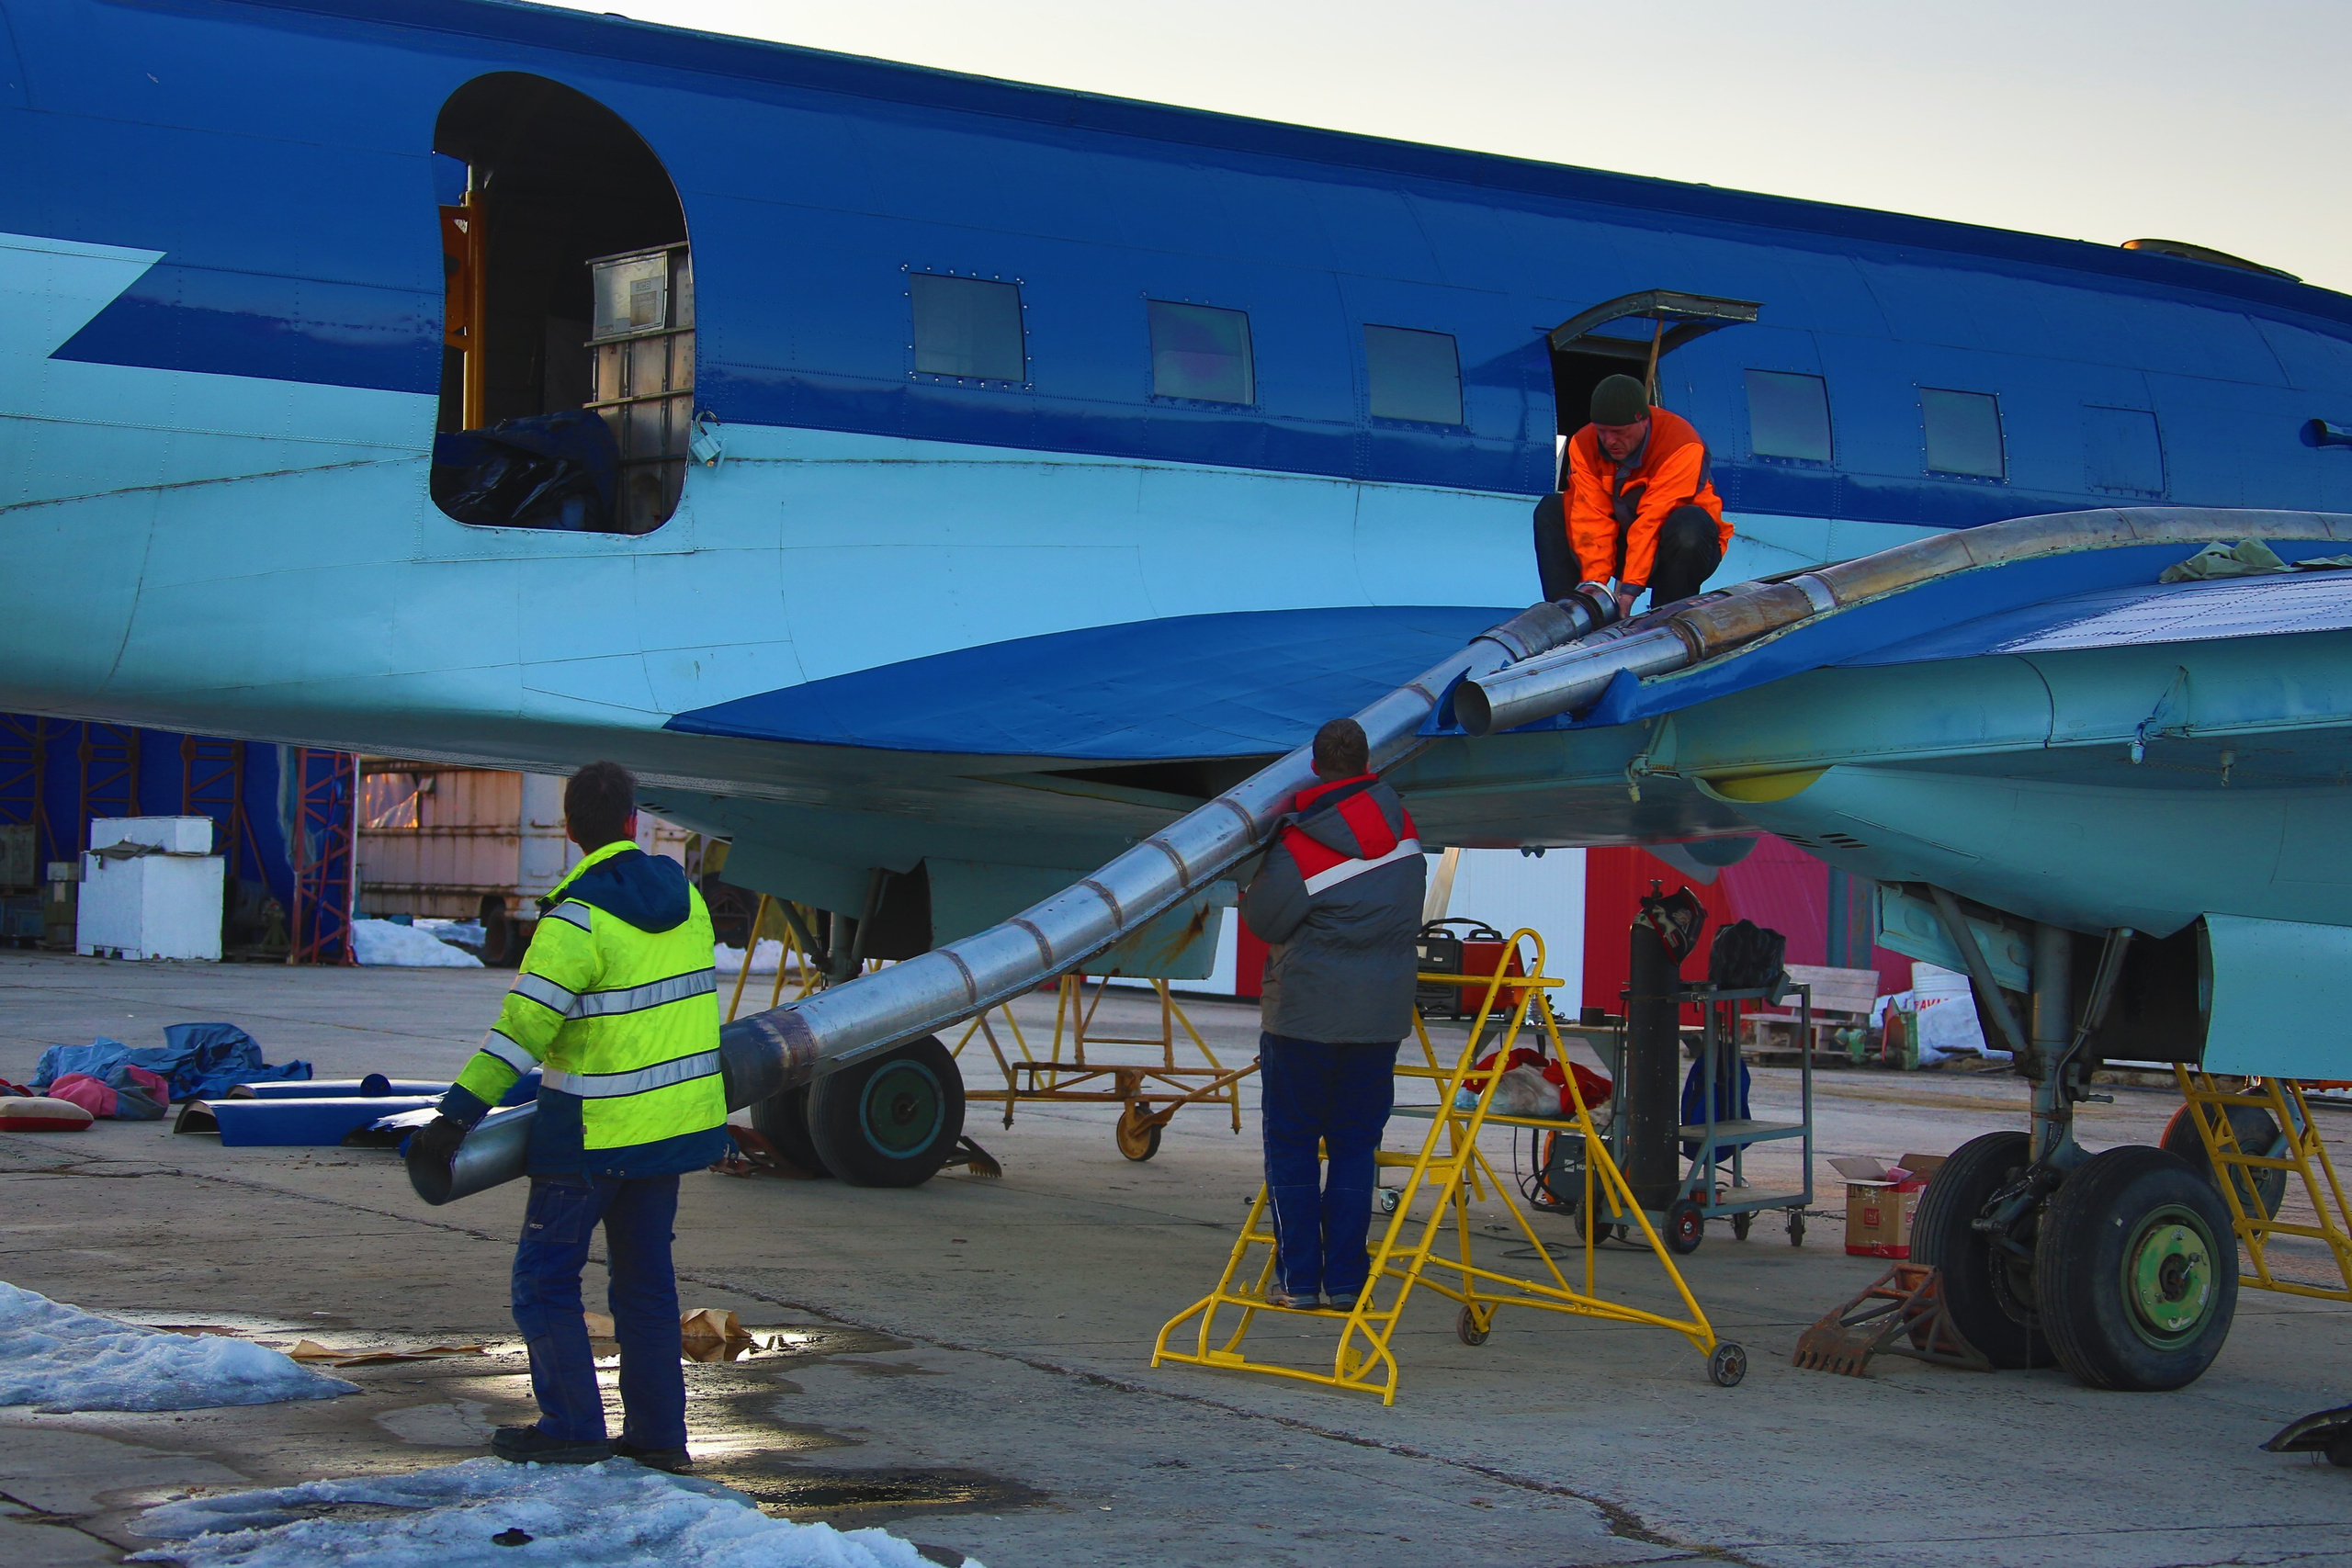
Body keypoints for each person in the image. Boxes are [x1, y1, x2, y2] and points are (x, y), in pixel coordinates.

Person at [412, 761, 729, 1470]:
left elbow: (519, 1033)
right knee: (645, 1287)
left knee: (545, 1280)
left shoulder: (574, 920)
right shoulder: (689, 902)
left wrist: (453, 1118)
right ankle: (658, 1437)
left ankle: (573, 1424)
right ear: (632, 823)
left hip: (589, 1140)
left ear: (569, 829)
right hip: (669, 1133)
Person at [1240, 717, 1425, 1312]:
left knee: (1291, 1146)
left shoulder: (1301, 841)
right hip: (1379, 1022)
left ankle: (1299, 1281)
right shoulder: (1407, 830)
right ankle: (1345, 1281)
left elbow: (1264, 921)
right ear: (1368, 763)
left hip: (1304, 1020)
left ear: (1316, 766)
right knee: (1354, 1146)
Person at [1534, 372, 1734, 615]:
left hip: (1679, 549)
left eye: (1619, 432)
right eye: (1602, 431)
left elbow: (1653, 520)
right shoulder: (1583, 443)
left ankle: (1667, 618)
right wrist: (1594, 584)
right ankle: (1569, 614)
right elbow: (1590, 517)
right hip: (1627, 547)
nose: (1609, 441)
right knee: (1553, 509)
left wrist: (1627, 593)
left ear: (1644, 421)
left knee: (1689, 525)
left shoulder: (1681, 443)